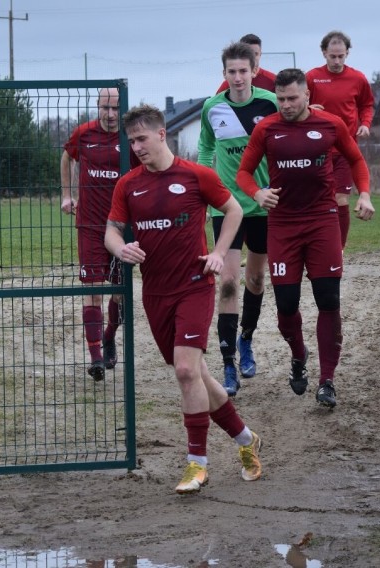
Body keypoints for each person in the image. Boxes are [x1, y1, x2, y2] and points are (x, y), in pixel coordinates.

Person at [105, 104, 263, 494]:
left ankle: (197, 464)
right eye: (132, 142)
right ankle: (246, 440)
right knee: (198, 374)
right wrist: (119, 249)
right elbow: (111, 229)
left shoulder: (196, 176)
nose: (137, 147)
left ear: (162, 135)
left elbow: (233, 210)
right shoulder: (128, 184)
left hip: (194, 285)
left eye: (142, 139)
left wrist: (219, 253)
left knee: (186, 371)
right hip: (155, 292)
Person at [236, 68, 375, 408]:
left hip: (322, 221)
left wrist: (365, 194)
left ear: (306, 96)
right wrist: (257, 193)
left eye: (292, 98)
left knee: (328, 299)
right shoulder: (266, 129)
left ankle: (327, 380)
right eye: (281, 99)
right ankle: (299, 355)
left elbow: (355, 158)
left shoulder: (329, 125)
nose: (285, 104)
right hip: (282, 225)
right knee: (286, 306)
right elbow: (243, 172)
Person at [198, 41, 278, 397]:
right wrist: (202, 186)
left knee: (257, 279)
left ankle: (246, 338)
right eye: (231, 71)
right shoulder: (212, 108)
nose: (238, 77)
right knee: (228, 282)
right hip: (226, 206)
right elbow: (205, 148)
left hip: (263, 205)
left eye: (243, 71)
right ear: (224, 74)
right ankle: (228, 362)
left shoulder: (270, 103)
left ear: (254, 71)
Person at [61, 87, 138, 381]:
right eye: (104, 108)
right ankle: (95, 359)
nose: (109, 114)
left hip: (122, 228)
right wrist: (67, 195)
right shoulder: (84, 134)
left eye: (115, 108)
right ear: (97, 106)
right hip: (90, 225)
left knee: (120, 294)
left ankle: (109, 335)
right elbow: (67, 157)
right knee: (91, 290)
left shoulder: (131, 138)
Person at [306, 31, 375, 248]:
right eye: (332, 56)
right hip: (317, 150)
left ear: (347, 54)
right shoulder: (312, 77)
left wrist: (365, 123)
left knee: (340, 200)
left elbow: (367, 104)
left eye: (341, 56)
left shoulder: (358, 78)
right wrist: (308, 109)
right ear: (324, 53)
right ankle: (315, 243)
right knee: (316, 201)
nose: (337, 61)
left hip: (345, 150)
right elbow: (297, 104)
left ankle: (339, 249)